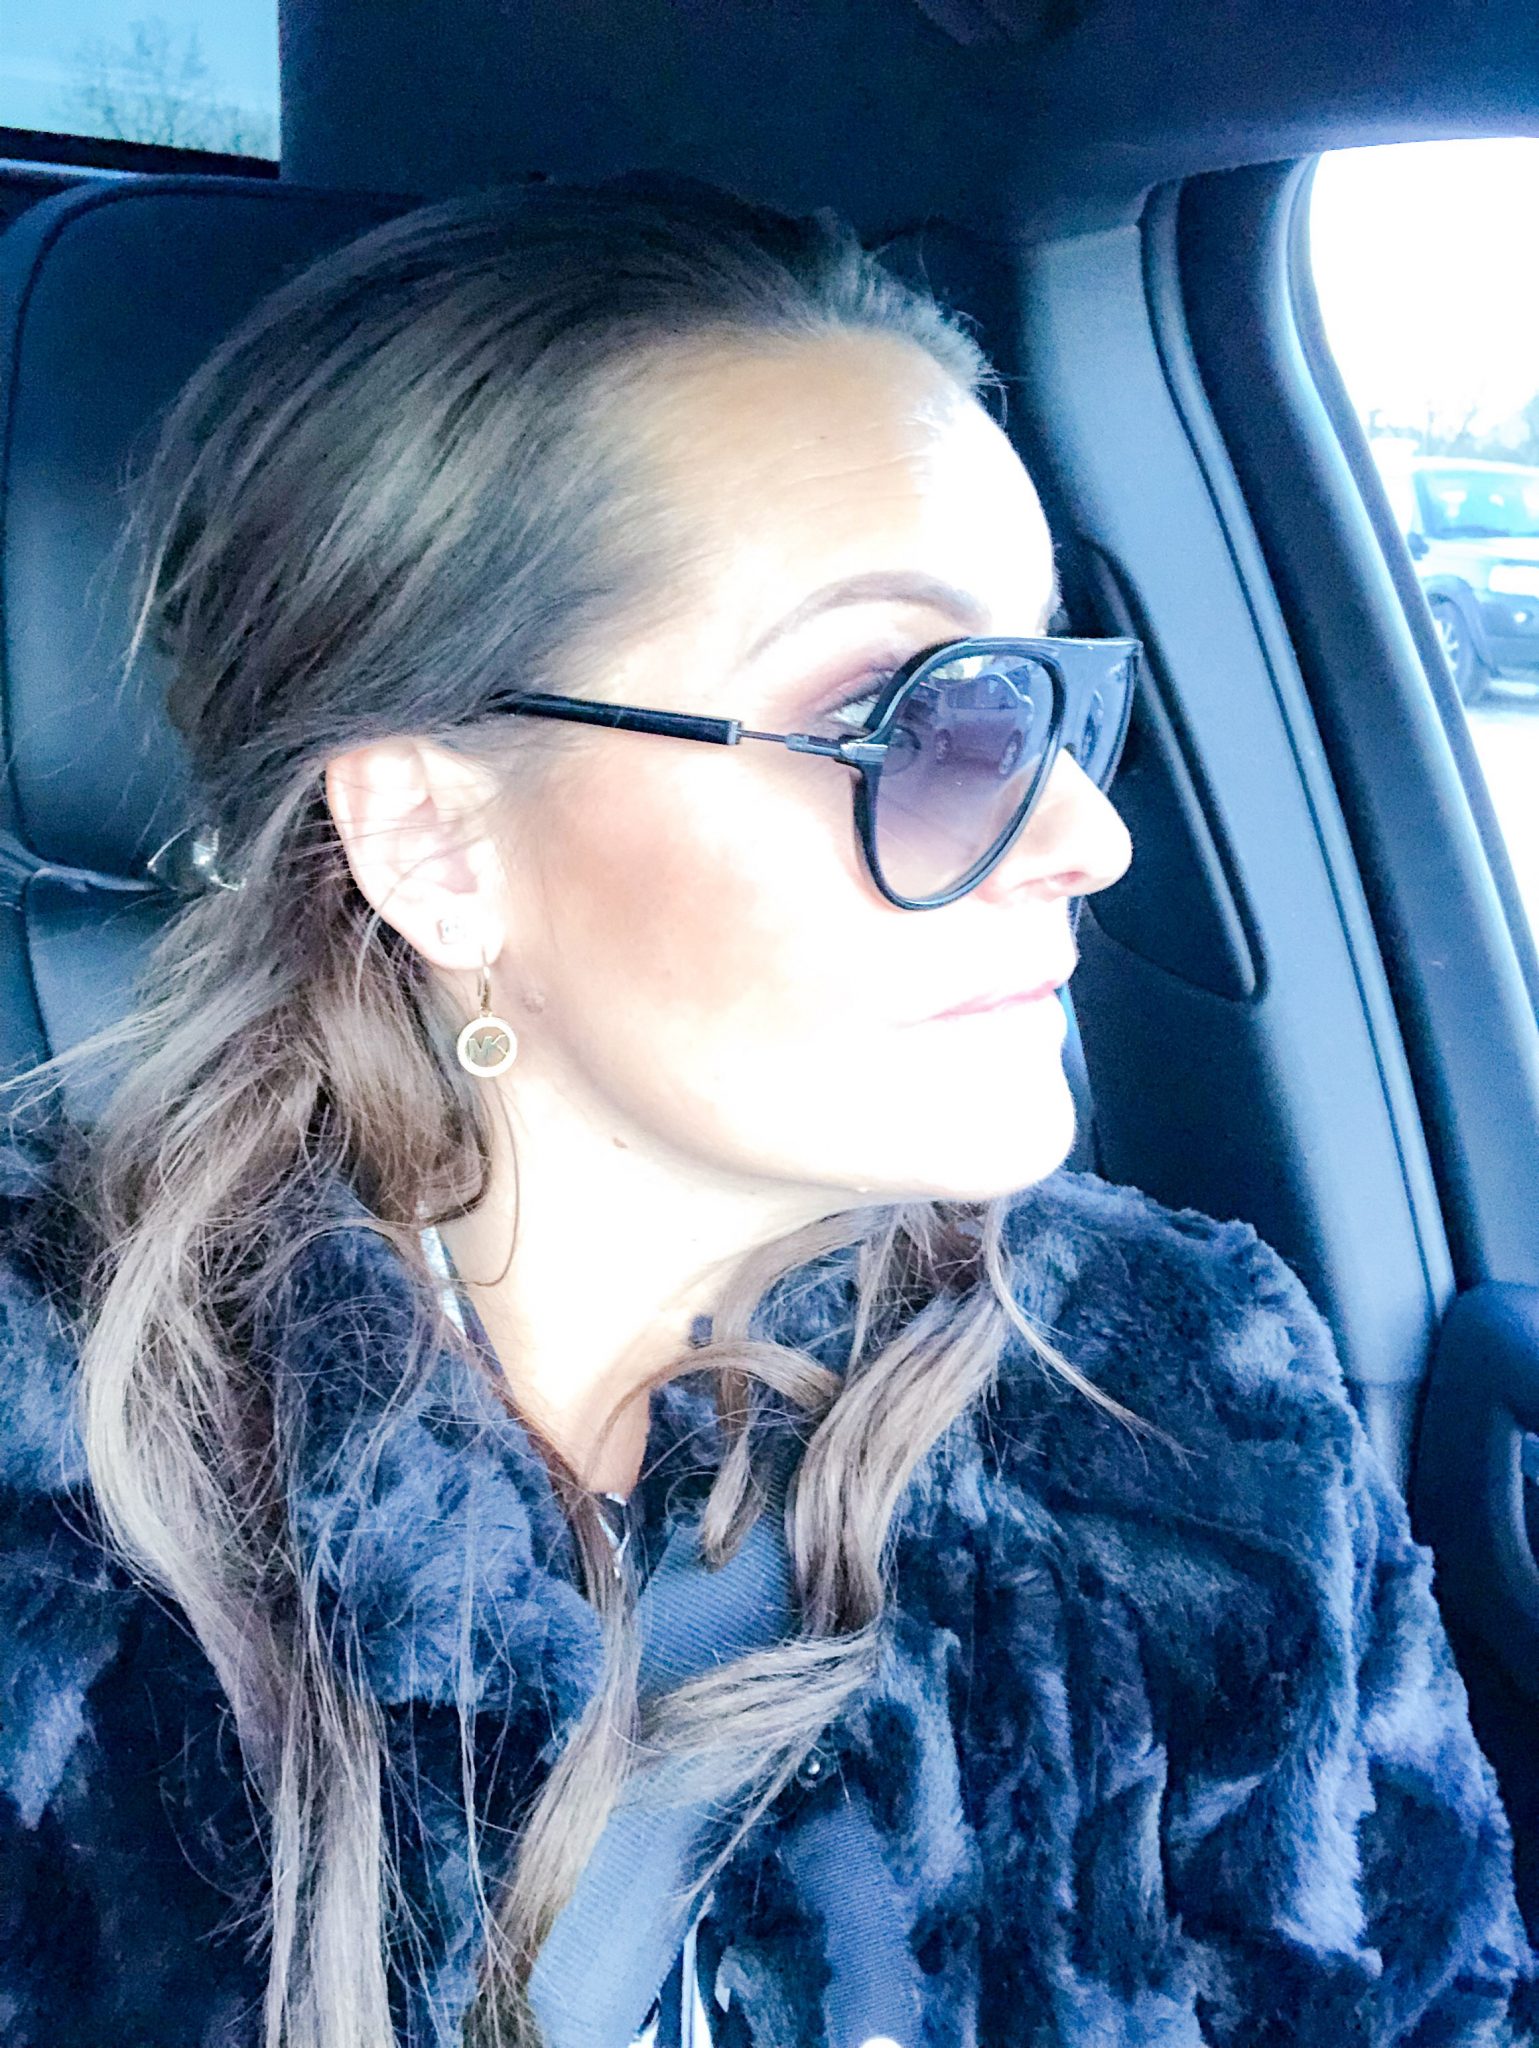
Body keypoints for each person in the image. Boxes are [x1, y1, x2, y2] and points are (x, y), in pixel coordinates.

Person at [0, 171, 1532, 2048]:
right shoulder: (58, 1491)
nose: (1090, 835)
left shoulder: (1184, 1417)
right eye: (921, 718)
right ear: (435, 841)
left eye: (1046, 704)